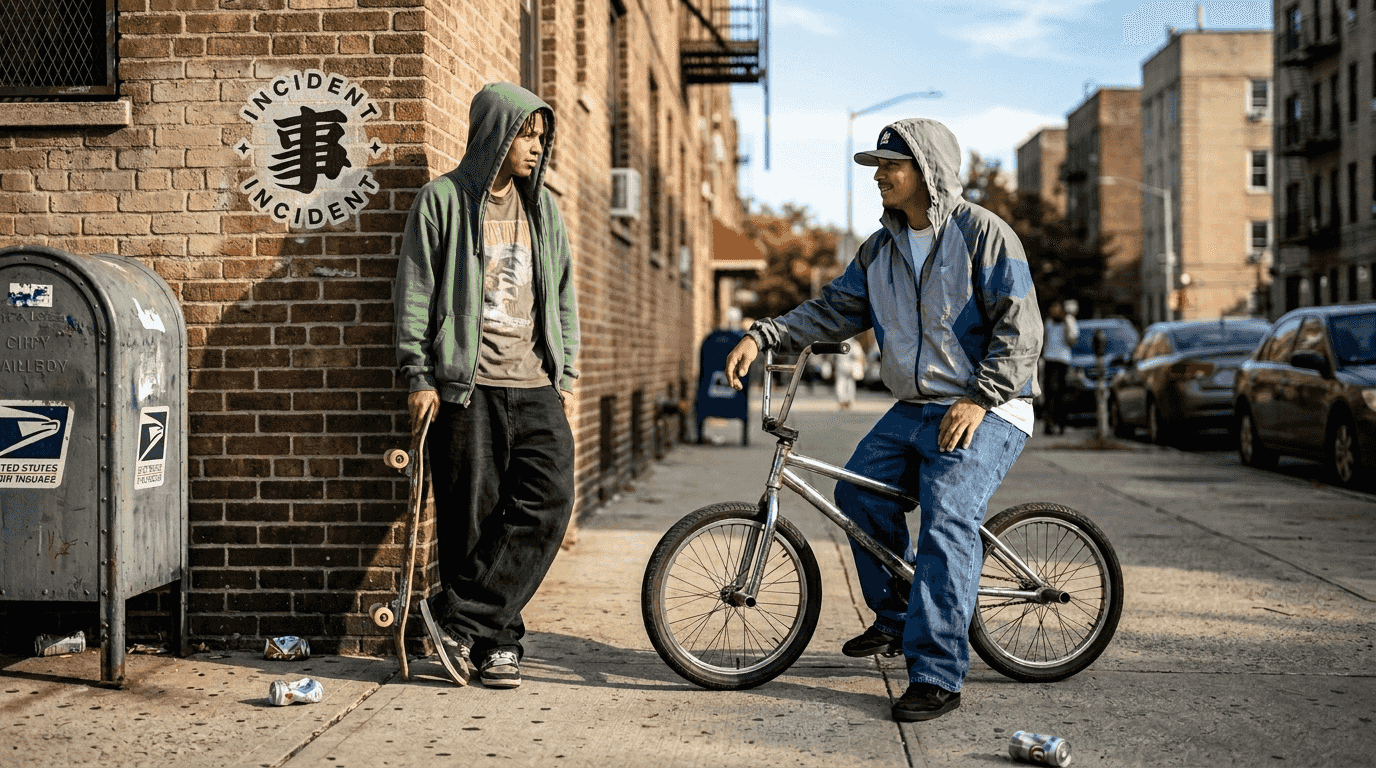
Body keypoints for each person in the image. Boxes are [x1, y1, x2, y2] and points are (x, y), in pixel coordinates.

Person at [723, 119, 1041, 722]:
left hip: (990, 404)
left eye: (888, 167)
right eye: (874, 167)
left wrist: (980, 396)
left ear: (926, 170)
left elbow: (1022, 330)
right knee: (857, 494)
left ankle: (938, 673)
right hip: (916, 406)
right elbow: (831, 311)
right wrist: (762, 335)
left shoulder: (986, 236)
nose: (878, 177)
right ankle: (896, 619)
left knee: (947, 521)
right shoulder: (880, 249)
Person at [394, 83, 579, 689]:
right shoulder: (442, 200)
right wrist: (418, 375)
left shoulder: (543, 210)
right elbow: (415, 293)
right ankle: (497, 645)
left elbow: (564, 296)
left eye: (540, 136)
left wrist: (566, 371)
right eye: (526, 134)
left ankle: (457, 619)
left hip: (534, 384)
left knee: (549, 501)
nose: (535, 146)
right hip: (465, 385)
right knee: (469, 520)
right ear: (495, 134)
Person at [1040, 299, 1079, 435]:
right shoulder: (1049, 322)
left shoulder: (1068, 320)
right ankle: (1049, 424)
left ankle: (1061, 423)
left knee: (1061, 393)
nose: (1054, 311)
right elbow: (1044, 339)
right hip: (1049, 359)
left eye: (1057, 308)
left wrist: (1067, 320)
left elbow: (1073, 339)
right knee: (1049, 393)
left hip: (1063, 360)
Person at [833, 339, 865, 409]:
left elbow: (833, 357)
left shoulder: (838, 343)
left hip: (840, 365)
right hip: (850, 365)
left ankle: (842, 401)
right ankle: (849, 401)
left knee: (840, 382)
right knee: (850, 383)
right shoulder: (854, 343)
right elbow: (859, 356)